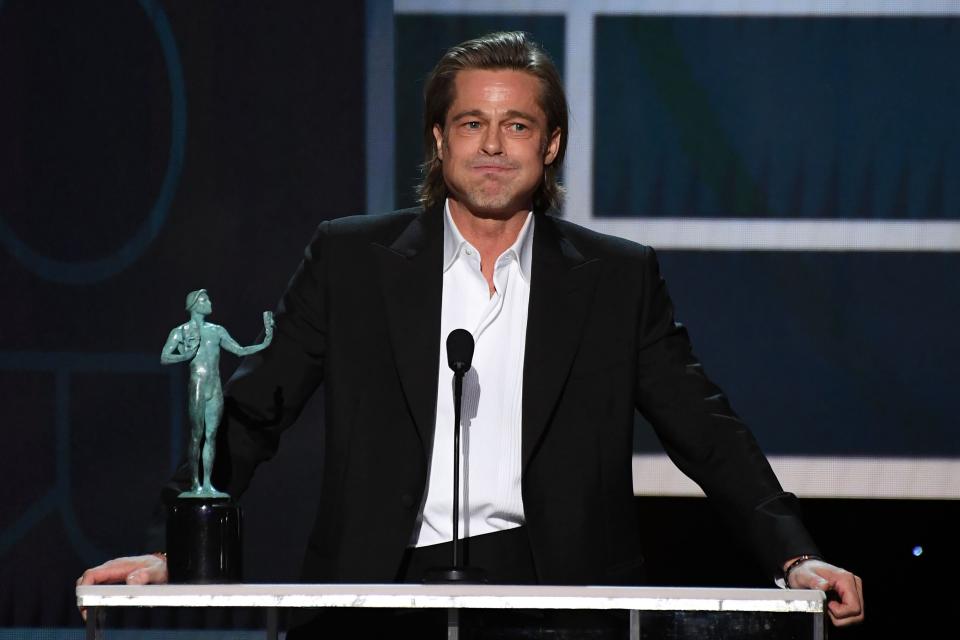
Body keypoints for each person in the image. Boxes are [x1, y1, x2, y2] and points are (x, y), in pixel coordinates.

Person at [78, 31, 864, 634]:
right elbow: (250, 412)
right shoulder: (353, 259)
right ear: (439, 139)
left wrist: (794, 553)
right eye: (472, 123)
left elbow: (704, 428)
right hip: (377, 596)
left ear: (549, 144)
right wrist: (170, 546)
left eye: (517, 125)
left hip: (558, 601)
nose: (492, 146)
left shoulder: (615, 278)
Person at [159, 289, 275, 497]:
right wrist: (185, 355)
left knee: (211, 436)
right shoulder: (181, 331)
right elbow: (165, 357)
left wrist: (266, 341)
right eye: (205, 299)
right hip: (198, 384)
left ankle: (207, 485)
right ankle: (194, 484)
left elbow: (239, 350)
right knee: (196, 435)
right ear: (194, 304)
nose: (210, 302)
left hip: (214, 386)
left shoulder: (217, 331)